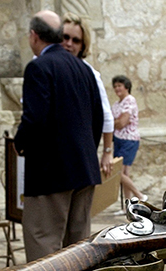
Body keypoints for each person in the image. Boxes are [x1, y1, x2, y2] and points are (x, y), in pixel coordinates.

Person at [14, 10, 103, 271]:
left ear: (34, 36)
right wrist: (87, 154)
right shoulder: (84, 68)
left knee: (44, 236)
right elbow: (97, 119)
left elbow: (34, 118)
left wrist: (19, 141)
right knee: (78, 239)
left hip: (51, 168)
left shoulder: (39, 67)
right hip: (83, 167)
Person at [61, 12, 114, 176]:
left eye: (75, 40)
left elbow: (106, 116)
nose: (69, 44)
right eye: (65, 37)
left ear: (83, 45)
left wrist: (107, 152)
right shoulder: (45, 68)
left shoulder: (91, 75)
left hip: (81, 157)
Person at [111, 74, 146, 202]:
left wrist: (114, 122)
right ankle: (128, 204)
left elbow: (121, 123)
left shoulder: (130, 100)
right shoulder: (116, 104)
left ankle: (139, 195)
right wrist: (115, 122)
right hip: (118, 139)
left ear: (126, 87)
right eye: (115, 86)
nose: (117, 89)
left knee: (118, 172)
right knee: (124, 174)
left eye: (119, 86)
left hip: (129, 139)